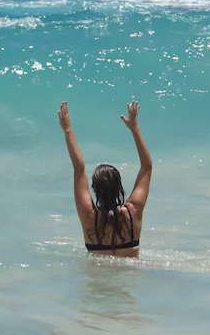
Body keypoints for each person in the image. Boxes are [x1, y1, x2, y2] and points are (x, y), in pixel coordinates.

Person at [58, 100, 152, 257]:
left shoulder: (90, 218)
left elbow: (79, 168)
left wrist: (68, 130)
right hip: (128, 281)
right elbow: (147, 167)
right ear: (119, 187)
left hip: (97, 280)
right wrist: (134, 128)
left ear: (94, 189)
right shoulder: (132, 213)